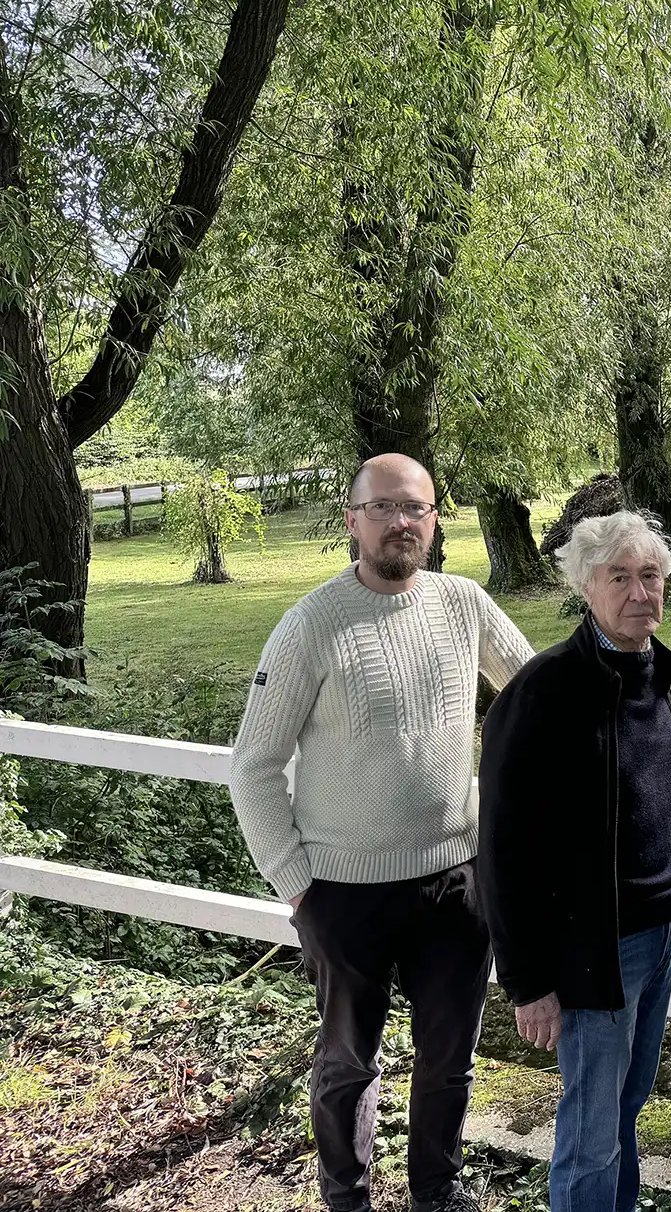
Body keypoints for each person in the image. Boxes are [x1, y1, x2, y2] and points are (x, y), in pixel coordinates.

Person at [228, 453, 535, 1212]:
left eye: (417, 509)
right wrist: (298, 888)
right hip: (343, 894)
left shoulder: (465, 604)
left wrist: (634, 707)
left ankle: (436, 1190)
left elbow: (537, 693)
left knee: (449, 1060)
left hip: (456, 885)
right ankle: (347, 1199)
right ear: (352, 519)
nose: (403, 522)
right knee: (346, 1067)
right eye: (385, 508)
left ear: (435, 521)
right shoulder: (310, 626)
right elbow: (254, 767)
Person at [478, 510, 671, 1212]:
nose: (639, 592)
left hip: (658, 937)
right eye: (619, 577)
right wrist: (527, 981)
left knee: (626, 1108)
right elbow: (501, 847)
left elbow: (639, 775)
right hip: (592, 949)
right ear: (586, 588)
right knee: (591, 1134)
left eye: (650, 576)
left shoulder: (658, 673)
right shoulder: (543, 692)